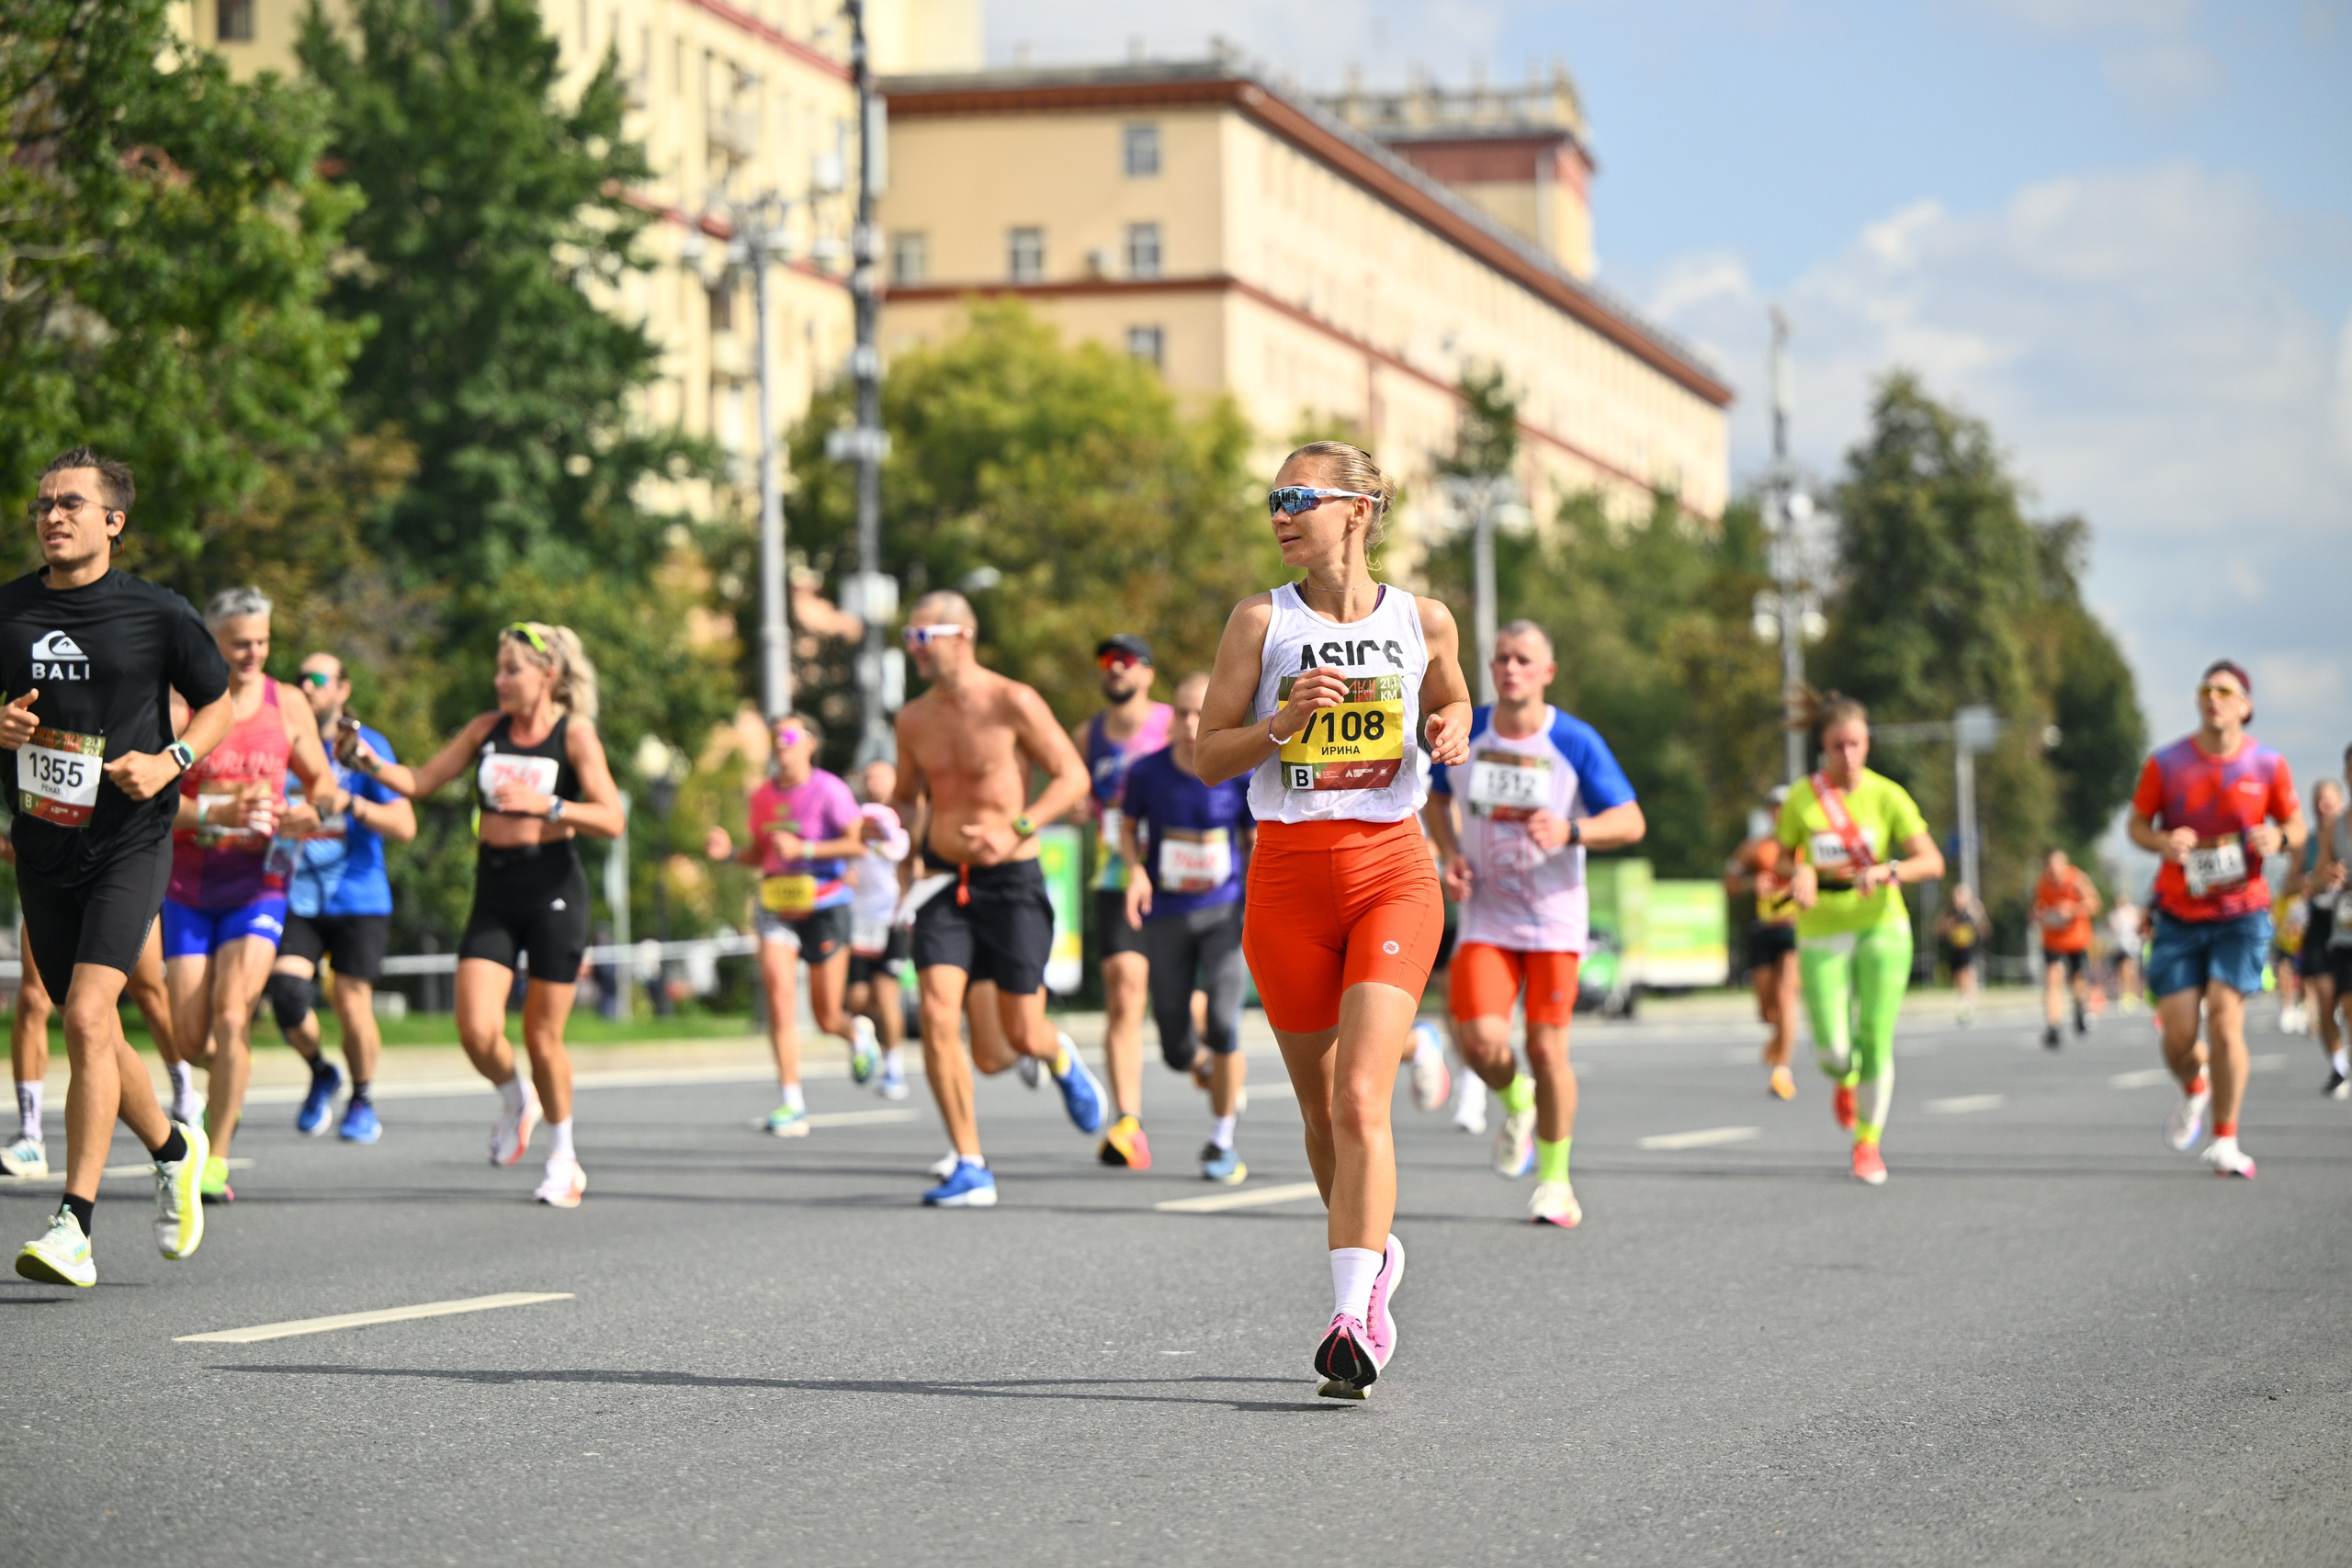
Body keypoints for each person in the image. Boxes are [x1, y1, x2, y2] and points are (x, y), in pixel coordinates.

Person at [1195, 440, 1471, 1398]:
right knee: (1319, 1115)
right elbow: (1204, 758)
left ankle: (1352, 1314)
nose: (1279, 512)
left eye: (1299, 496)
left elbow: (1451, 696)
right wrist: (1279, 724)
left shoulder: (1420, 618)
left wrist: (1454, 725)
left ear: (1358, 509)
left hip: (1390, 871)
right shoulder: (1258, 622)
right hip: (1285, 882)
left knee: (1361, 1096)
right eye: (1272, 497)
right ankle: (1377, 1255)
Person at [6, 446, 230, 1286]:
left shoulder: (156, 614)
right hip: (42, 848)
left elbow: (219, 702)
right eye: (42, 504)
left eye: (70, 503)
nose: (52, 515)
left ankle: (75, 1223)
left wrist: (171, 759)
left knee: (89, 1014)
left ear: (113, 521)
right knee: (90, 1026)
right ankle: (174, 1148)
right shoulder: (10, 611)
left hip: (131, 841)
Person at [339, 622, 625, 1206]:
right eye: (498, 669)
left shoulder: (575, 736)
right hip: (495, 888)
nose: (500, 680)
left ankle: (564, 1159)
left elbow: (612, 818)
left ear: (547, 676)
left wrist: (550, 804)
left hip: (554, 889)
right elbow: (418, 781)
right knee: (474, 1028)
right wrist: (364, 759)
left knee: (542, 1035)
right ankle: (517, 1097)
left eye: (511, 670)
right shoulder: (486, 730)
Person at [1422, 623, 1642, 1226]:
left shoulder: (1574, 740)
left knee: (1547, 1049)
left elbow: (1630, 820)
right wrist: (1449, 853)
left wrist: (1572, 830)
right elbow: (1436, 795)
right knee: (1481, 1043)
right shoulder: (1471, 732)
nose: (1511, 667)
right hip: (1487, 915)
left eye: (1524, 659)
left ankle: (1555, 1181)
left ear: (1548, 671)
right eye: (1500, 659)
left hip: (1552, 919)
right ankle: (1516, 1100)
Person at [891, 592, 1104, 1208]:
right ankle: (970, 1163)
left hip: (1011, 880)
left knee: (1009, 1040)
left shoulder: (1013, 701)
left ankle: (1055, 1053)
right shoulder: (912, 720)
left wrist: (1017, 826)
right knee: (935, 1012)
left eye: (922, 635)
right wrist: (890, 827)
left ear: (962, 635)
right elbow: (907, 796)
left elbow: (1072, 776)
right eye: (909, 636)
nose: (913, 648)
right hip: (941, 880)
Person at [160, 588, 346, 1204]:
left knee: (233, 1014)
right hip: (187, 885)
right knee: (190, 1038)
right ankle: (229, 1078)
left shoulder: (286, 703)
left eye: (263, 640)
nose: (254, 652)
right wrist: (219, 807)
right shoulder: (181, 705)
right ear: (213, 641)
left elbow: (326, 788)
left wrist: (307, 811)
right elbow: (152, 801)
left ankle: (216, 1157)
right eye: (242, 642)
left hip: (259, 885)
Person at [2127, 660, 2303, 1179]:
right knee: (2179, 1035)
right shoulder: (2167, 763)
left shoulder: (2269, 765)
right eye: (2206, 690)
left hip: (2241, 912)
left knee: (2225, 1020)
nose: (2214, 698)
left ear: (2245, 706)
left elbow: (2293, 819)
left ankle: (2226, 1139)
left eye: (2225, 691)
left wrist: (2281, 838)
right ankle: (2195, 1087)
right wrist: (2162, 841)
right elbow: (2136, 823)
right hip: (2180, 913)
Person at [1776, 692, 1945, 1187]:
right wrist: (1800, 871)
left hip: (1881, 926)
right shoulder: (1801, 798)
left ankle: (1867, 1144)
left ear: (1868, 743)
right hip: (1821, 926)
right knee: (1832, 1051)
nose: (1847, 756)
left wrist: (1890, 869)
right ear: (1822, 748)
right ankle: (1843, 1081)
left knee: (1875, 1036)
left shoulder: (1887, 795)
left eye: (1855, 744)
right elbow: (1780, 857)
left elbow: (1930, 861)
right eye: (1836, 746)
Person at [704, 712, 884, 1135]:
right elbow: (761, 853)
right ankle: (791, 1101)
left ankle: (856, 1032)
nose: (779, 743)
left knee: (825, 1016)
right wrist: (731, 852)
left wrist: (805, 847)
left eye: (788, 735)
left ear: (809, 743)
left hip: (824, 903)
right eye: (774, 736)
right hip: (775, 903)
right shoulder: (763, 796)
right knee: (780, 998)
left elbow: (860, 841)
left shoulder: (830, 790)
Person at [266, 649, 415, 1146]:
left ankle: (363, 1099)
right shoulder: (281, 744)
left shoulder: (368, 747)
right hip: (297, 895)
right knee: (285, 995)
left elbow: (405, 824)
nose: (306, 687)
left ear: (343, 689)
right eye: (300, 678)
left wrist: (349, 802)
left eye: (317, 678)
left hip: (359, 897)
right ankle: (319, 1070)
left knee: (352, 1004)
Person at [1119, 671, 1256, 1182]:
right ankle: (1207, 1069)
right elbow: (1128, 828)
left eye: (1200, 713)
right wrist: (1134, 869)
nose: (1190, 722)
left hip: (1224, 912)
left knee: (1223, 1022)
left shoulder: (1236, 771)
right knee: (1175, 1046)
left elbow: (1254, 839)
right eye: (1180, 712)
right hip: (1168, 913)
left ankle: (1222, 1141)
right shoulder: (1147, 772)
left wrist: (1258, 896)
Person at [1, 863, 176, 1179]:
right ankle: (30, 1135)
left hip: (119, 864)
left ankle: (185, 1099)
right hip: (55, 866)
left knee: (148, 995)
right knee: (37, 1000)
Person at [1072, 633, 1171, 1171]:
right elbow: (1075, 792)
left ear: (1147, 673)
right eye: (1106, 661)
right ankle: (1128, 1121)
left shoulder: (1172, 724)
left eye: (1125, 661)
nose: (1113, 669)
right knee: (1124, 994)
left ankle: (1203, 1060)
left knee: (1185, 1011)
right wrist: (1077, 808)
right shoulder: (1087, 735)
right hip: (1114, 878)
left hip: (1182, 883)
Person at [845, 758, 913, 1100]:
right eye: (869, 776)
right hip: (859, 922)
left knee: (887, 995)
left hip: (891, 921)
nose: (874, 781)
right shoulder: (854, 821)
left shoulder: (901, 823)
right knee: (856, 998)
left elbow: (904, 855)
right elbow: (842, 852)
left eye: (881, 775)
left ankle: (895, 1070)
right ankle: (867, 1036)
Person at [1729, 784, 1802, 1096]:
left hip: (1797, 929)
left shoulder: (1806, 846)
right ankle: (1776, 1039)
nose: (1779, 812)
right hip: (1766, 928)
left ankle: (1782, 1071)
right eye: (1774, 806)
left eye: (1784, 806)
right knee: (1766, 1009)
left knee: (1786, 998)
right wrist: (1750, 882)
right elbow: (1730, 883)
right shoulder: (1756, 847)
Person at [2304, 768, 2350, 1095]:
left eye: (2329, 801)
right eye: (2319, 801)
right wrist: (2319, 880)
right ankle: (2339, 1067)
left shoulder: (2340, 828)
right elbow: (2302, 882)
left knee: (2348, 1003)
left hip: (2342, 920)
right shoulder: (2310, 841)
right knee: (2326, 1001)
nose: (2324, 807)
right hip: (2324, 927)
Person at [2031, 847, 2103, 1050]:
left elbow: (2094, 904)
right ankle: (2054, 1026)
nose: (2053, 871)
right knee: (2052, 979)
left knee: (2077, 980)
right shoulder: (2042, 883)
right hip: (2052, 940)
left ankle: (2080, 1007)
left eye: (2056, 865)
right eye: (2049, 866)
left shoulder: (2077, 880)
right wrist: (2041, 915)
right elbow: (2036, 909)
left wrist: (2071, 910)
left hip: (2076, 940)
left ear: (2064, 864)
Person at [1935, 882, 1989, 1027]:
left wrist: (1980, 917)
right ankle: (1966, 1001)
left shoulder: (1973, 911)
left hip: (1969, 949)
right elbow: (1939, 931)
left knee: (1966, 974)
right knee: (1958, 978)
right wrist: (1948, 925)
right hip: (1955, 949)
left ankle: (1967, 1005)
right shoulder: (1949, 912)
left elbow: (1985, 931)